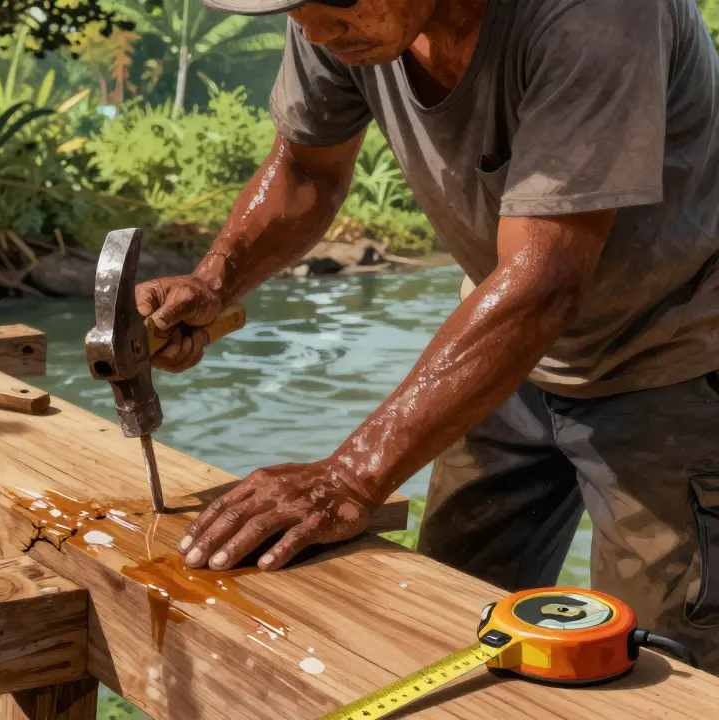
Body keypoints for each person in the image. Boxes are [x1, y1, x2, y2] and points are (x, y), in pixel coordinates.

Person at [136, 0, 719, 671]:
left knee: (659, 670)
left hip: (675, 356)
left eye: (335, 2)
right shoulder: (331, 21)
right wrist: (214, 280)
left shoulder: (597, 13)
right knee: (447, 618)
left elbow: (546, 283)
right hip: (502, 349)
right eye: (294, 8)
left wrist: (351, 475)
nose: (314, 31)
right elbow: (304, 171)